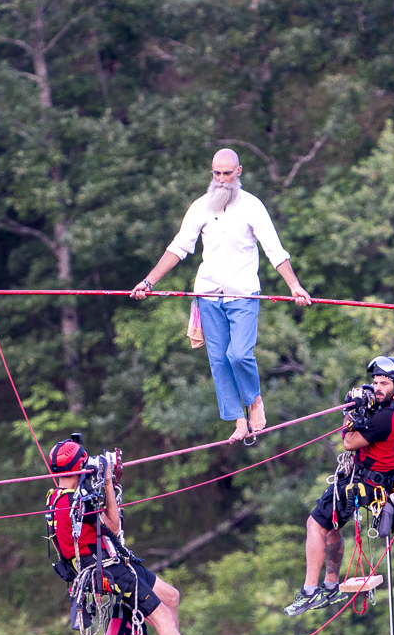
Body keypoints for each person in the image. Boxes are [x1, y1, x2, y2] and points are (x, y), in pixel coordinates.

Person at [132, 148, 313, 445]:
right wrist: (148, 282)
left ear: (239, 172)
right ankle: (239, 421)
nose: (221, 180)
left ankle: (254, 400)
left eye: (227, 173)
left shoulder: (253, 206)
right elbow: (178, 247)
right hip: (208, 295)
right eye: (216, 173)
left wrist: (294, 286)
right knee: (218, 361)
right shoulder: (201, 206)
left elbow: (274, 250)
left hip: (243, 296)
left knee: (238, 354)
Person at [43, 435, 241, 635]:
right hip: (108, 569)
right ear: (80, 466)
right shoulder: (79, 502)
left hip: (110, 561)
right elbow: (113, 526)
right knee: (162, 618)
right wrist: (109, 484)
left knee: (171, 597)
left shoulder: (56, 497)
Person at [284, 356, 394, 616]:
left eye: (384, 384)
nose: (377, 388)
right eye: (375, 382)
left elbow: (350, 442)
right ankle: (331, 585)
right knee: (332, 524)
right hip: (383, 484)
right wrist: (369, 405)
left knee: (315, 524)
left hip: (362, 484)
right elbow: (380, 426)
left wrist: (350, 412)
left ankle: (310, 591)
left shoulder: (386, 417)